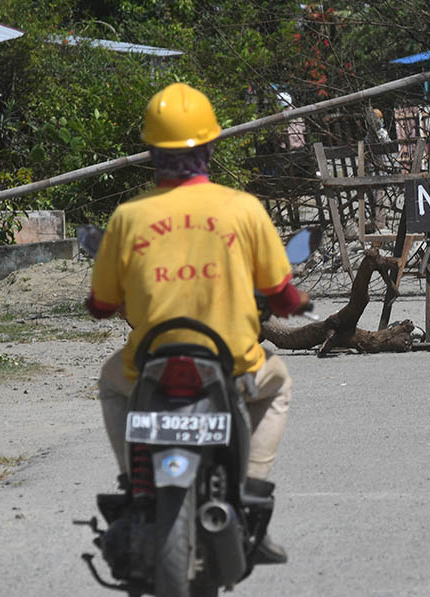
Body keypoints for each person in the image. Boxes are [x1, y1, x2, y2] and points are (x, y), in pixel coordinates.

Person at [86, 82, 310, 565]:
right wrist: (294, 303)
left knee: (108, 382)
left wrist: (112, 304)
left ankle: (134, 480)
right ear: (209, 145)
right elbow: (281, 293)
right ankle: (250, 489)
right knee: (278, 384)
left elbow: (102, 303)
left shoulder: (128, 217)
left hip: (150, 364)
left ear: (151, 152)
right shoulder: (243, 208)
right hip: (230, 363)